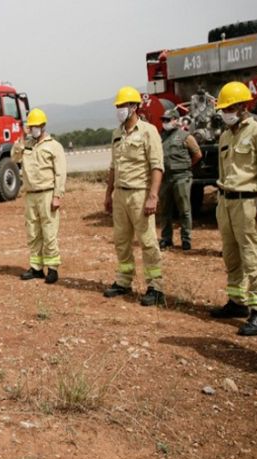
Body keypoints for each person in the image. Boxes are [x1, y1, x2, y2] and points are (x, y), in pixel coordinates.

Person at [209, 81, 257, 336]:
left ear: (242, 106)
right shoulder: (227, 135)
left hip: (249, 203)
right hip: (226, 203)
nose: (224, 112)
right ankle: (236, 302)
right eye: (223, 108)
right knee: (232, 255)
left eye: (229, 108)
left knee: (253, 257)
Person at [103, 86, 165, 306]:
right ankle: (124, 280)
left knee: (148, 242)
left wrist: (153, 196)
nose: (120, 109)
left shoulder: (149, 131)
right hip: (120, 194)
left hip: (140, 194)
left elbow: (157, 166)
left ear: (135, 107)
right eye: (118, 106)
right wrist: (108, 194)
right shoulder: (116, 134)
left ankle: (155, 286)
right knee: (121, 240)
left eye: (124, 105)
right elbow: (113, 167)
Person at [11, 108, 67, 284]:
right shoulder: (26, 145)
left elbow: (61, 173)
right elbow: (14, 157)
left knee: (49, 231)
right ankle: (36, 268)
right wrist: (21, 139)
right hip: (30, 195)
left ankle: (52, 268)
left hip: (47, 193)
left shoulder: (53, 146)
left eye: (36, 126)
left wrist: (58, 195)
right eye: (31, 126)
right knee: (33, 232)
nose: (33, 129)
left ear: (43, 126)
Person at [158, 109, 202, 251]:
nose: (165, 123)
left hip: (181, 176)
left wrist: (186, 166)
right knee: (165, 209)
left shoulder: (185, 136)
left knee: (184, 209)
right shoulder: (161, 137)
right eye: (164, 120)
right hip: (165, 178)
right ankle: (166, 239)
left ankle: (186, 240)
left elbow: (197, 154)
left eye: (168, 120)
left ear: (176, 120)